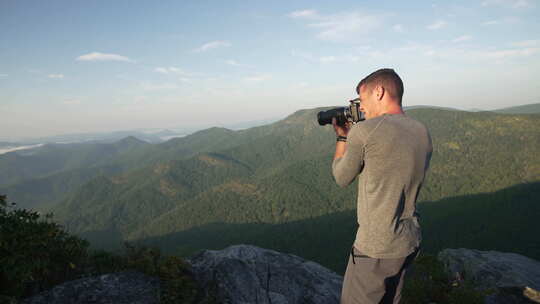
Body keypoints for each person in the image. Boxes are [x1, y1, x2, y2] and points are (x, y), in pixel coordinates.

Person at [332, 68, 432, 304]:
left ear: (379, 91)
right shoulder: (421, 131)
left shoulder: (364, 131)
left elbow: (341, 177)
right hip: (408, 241)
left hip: (375, 248)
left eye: (363, 99)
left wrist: (342, 137)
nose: (362, 107)